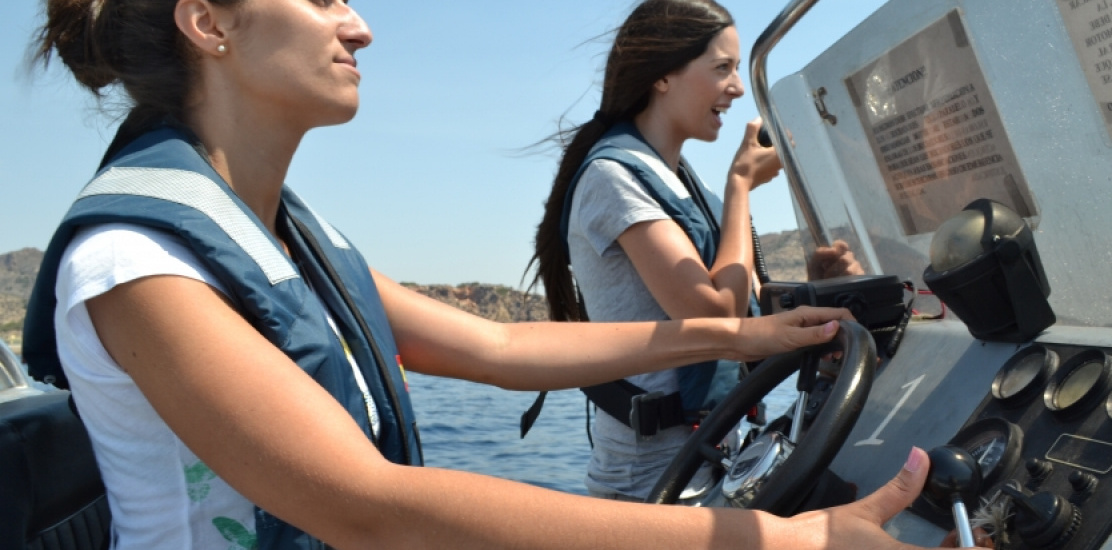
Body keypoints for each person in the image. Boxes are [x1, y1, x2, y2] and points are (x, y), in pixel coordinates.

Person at [22, 0, 949, 548]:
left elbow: (501, 346)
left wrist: (733, 335)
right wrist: (782, 539)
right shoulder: (134, 264)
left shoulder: (282, 238)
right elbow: (370, 509)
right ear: (208, 21)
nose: (362, 27)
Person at [527, 0, 861, 502]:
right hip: (653, 483)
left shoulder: (676, 179)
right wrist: (740, 187)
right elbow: (718, 319)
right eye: (722, 68)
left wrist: (816, 283)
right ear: (664, 75)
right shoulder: (613, 179)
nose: (738, 87)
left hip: (711, 457)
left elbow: (738, 303)